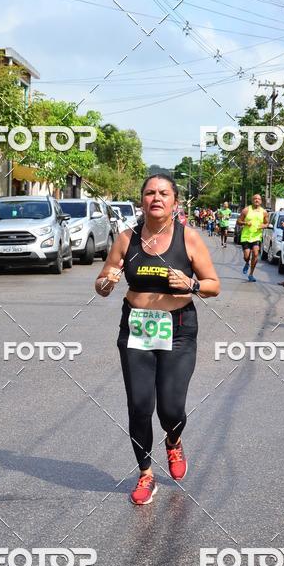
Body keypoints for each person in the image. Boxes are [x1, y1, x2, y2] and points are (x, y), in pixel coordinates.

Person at [95, 174, 220, 505]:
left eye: (164, 193)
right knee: (139, 406)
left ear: (174, 201)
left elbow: (213, 285)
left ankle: (173, 441)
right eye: (150, 193)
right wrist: (107, 282)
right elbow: (102, 283)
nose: (156, 198)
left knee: (171, 408)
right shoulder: (127, 239)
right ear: (142, 201)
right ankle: (145, 474)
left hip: (178, 329)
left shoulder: (188, 238)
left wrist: (192, 284)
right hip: (136, 329)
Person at [238, 194, 269, 281]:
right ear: (252, 200)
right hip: (246, 236)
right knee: (246, 256)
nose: (257, 200)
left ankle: (251, 274)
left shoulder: (264, 212)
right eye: (255, 199)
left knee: (255, 254)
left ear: (261, 201)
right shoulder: (246, 210)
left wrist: (263, 226)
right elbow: (238, 221)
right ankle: (247, 263)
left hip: (256, 237)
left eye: (258, 199)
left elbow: (267, 223)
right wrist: (245, 223)